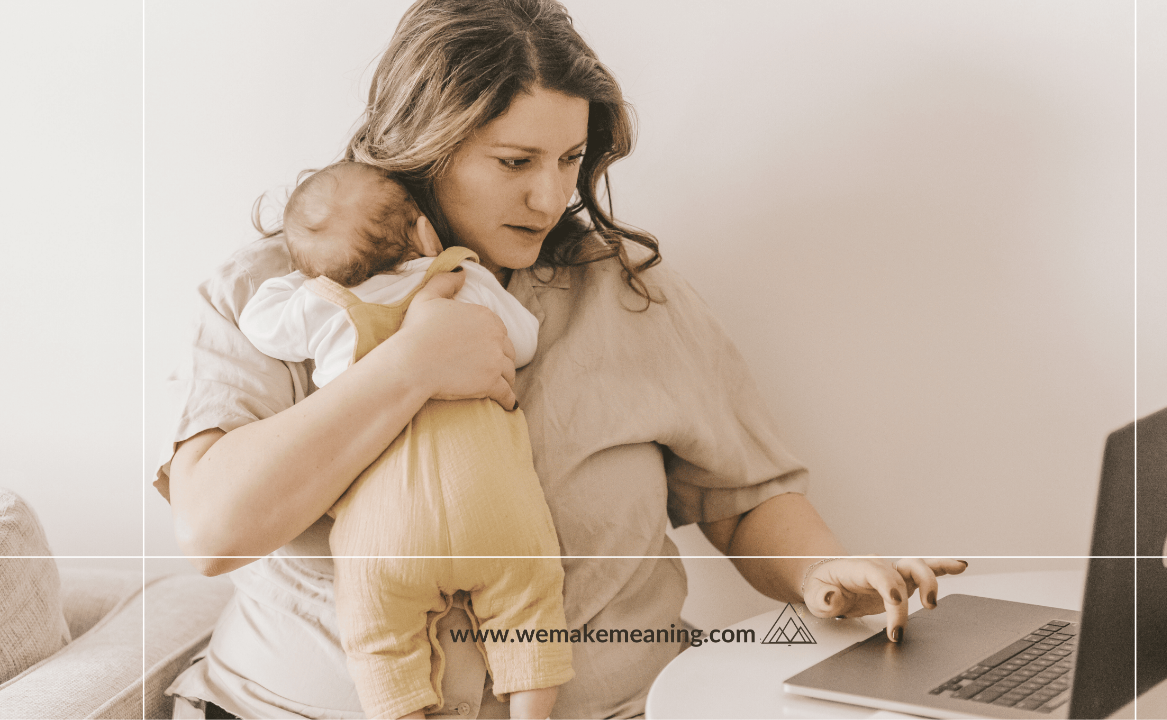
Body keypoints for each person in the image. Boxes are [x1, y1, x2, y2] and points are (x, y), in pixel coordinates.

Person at [157, 1, 967, 718]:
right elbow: (215, 531)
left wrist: (822, 571)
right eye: (515, 162)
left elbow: (742, 497)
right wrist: (409, 367)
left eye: (570, 160)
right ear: (422, 147)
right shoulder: (273, 296)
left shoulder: (629, 294)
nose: (550, 197)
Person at [237, 160, 570, 720]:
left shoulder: (325, 307)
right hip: (490, 500)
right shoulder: (462, 279)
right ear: (424, 231)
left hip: (385, 526)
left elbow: (259, 322)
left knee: (380, 640)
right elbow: (524, 340)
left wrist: (310, 275)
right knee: (530, 606)